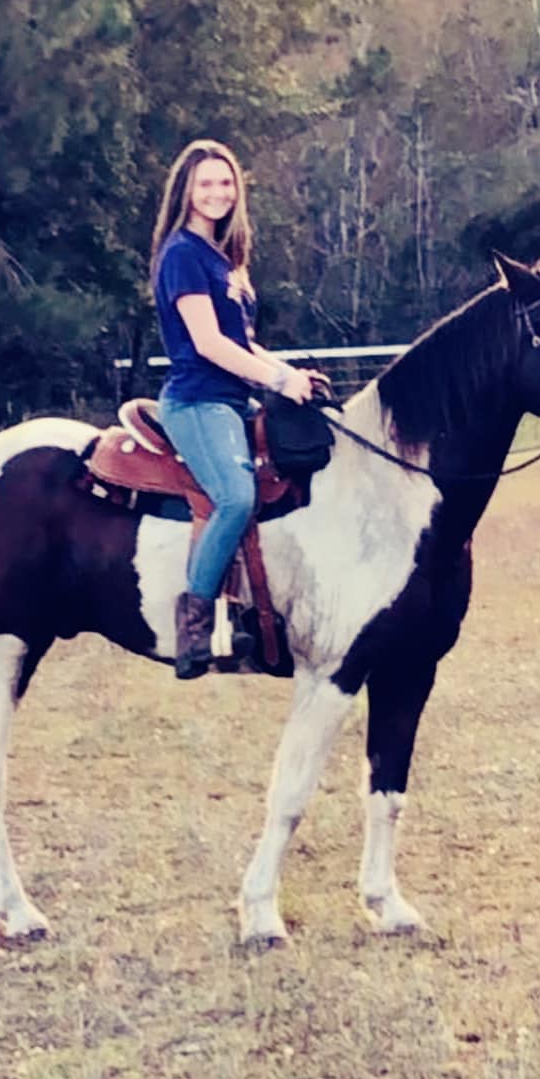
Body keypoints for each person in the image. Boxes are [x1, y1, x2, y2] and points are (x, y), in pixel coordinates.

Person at [150, 138, 319, 679]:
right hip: (198, 399)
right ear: (186, 191)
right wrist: (275, 378)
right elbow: (208, 343)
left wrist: (291, 375)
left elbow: (242, 342)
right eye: (206, 184)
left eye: (226, 183)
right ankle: (194, 626)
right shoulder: (181, 254)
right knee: (235, 496)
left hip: (233, 400)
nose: (217, 193)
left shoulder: (226, 260)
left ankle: (254, 611)